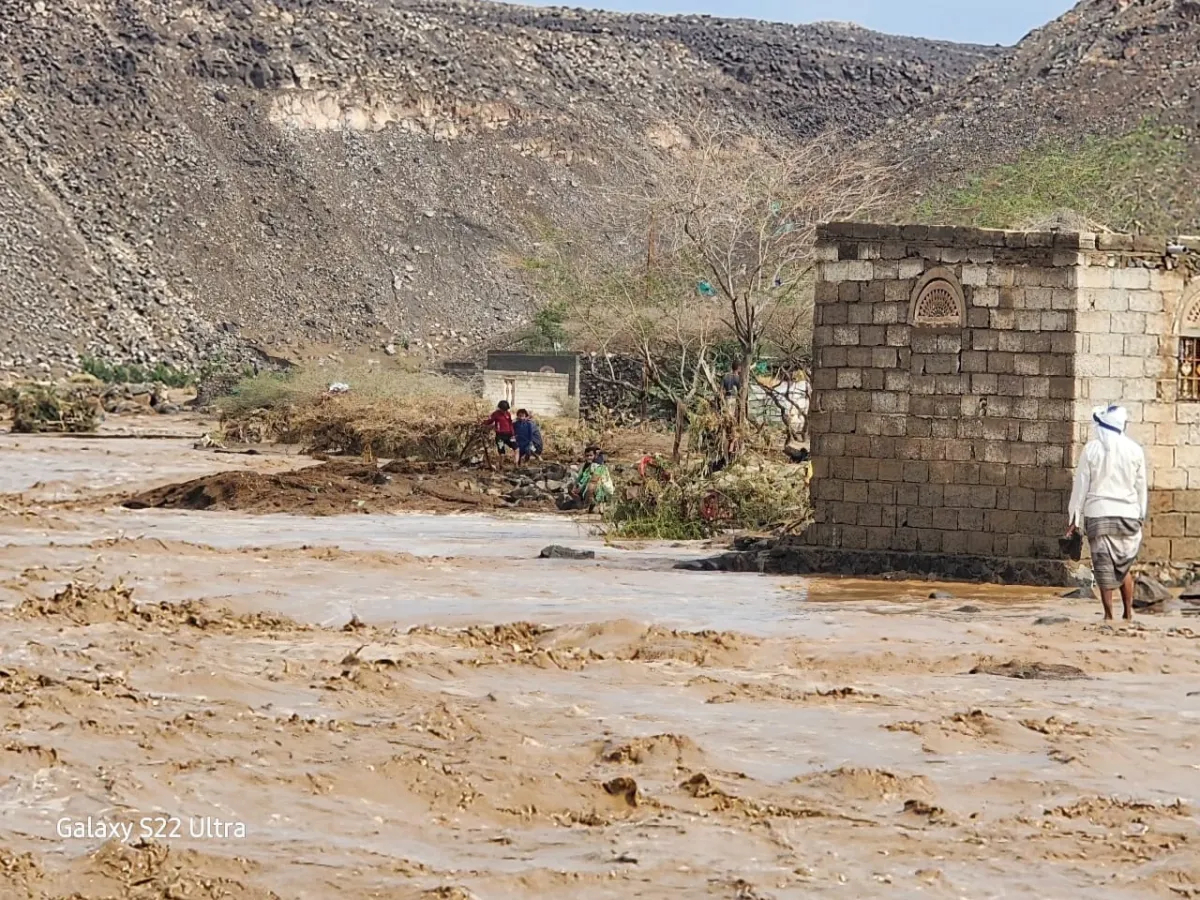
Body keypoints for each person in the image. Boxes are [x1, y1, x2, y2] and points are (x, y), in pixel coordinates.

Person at [1065, 404, 1149, 622]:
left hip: (1099, 514)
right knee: (1123, 567)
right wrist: (1141, 515)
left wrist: (1074, 518)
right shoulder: (1135, 450)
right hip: (1128, 516)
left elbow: (1081, 486)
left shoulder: (1091, 449)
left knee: (1103, 566)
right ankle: (1128, 614)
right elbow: (1141, 487)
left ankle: (1108, 616)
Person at [559, 445, 614, 512]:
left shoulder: (598, 467)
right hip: (585, 490)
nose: (589, 458)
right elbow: (581, 477)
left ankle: (588, 505)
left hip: (599, 490)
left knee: (591, 485)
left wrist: (581, 488)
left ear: (595, 456)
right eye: (587, 456)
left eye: (591, 456)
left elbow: (594, 480)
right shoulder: (586, 466)